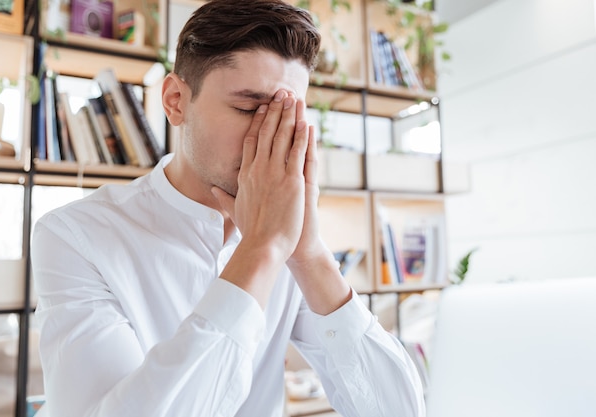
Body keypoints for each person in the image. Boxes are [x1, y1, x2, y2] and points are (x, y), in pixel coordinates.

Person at [31, 1, 425, 416]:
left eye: (287, 115)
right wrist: (260, 250)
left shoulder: (291, 238)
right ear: (176, 101)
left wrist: (308, 254)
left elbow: (397, 410)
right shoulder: (75, 235)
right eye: (249, 108)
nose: (270, 134)